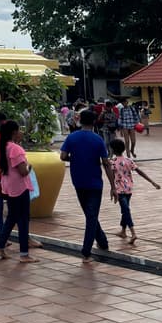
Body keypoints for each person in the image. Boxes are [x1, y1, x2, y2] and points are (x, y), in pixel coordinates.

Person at [60, 109, 116, 263]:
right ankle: (86, 251)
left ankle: (102, 241)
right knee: (91, 216)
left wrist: (76, 158)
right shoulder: (97, 139)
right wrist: (113, 186)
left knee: (90, 214)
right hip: (95, 183)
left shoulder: (72, 137)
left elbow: (63, 156)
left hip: (78, 181)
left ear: (79, 121)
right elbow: (106, 163)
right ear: (94, 122)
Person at [0, 120, 38, 263]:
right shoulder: (15, 149)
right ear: (14, 132)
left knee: (12, 217)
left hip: (10, 187)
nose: (21, 133)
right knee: (23, 220)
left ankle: (0, 246)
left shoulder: (4, 146)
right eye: (19, 130)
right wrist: (29, 167)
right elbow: (23, 172)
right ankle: (24, 254)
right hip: (20, 187)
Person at [109, 138, 160, 244]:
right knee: (125, 209)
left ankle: (133, 233)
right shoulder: (128, 160)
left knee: (126, 210)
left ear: (113, 150)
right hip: (129, 189)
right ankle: (123, 231)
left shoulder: (112, 162)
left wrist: (112, 188)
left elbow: (110, 176)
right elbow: (140, 172)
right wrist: (152, 182)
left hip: (119, 190)